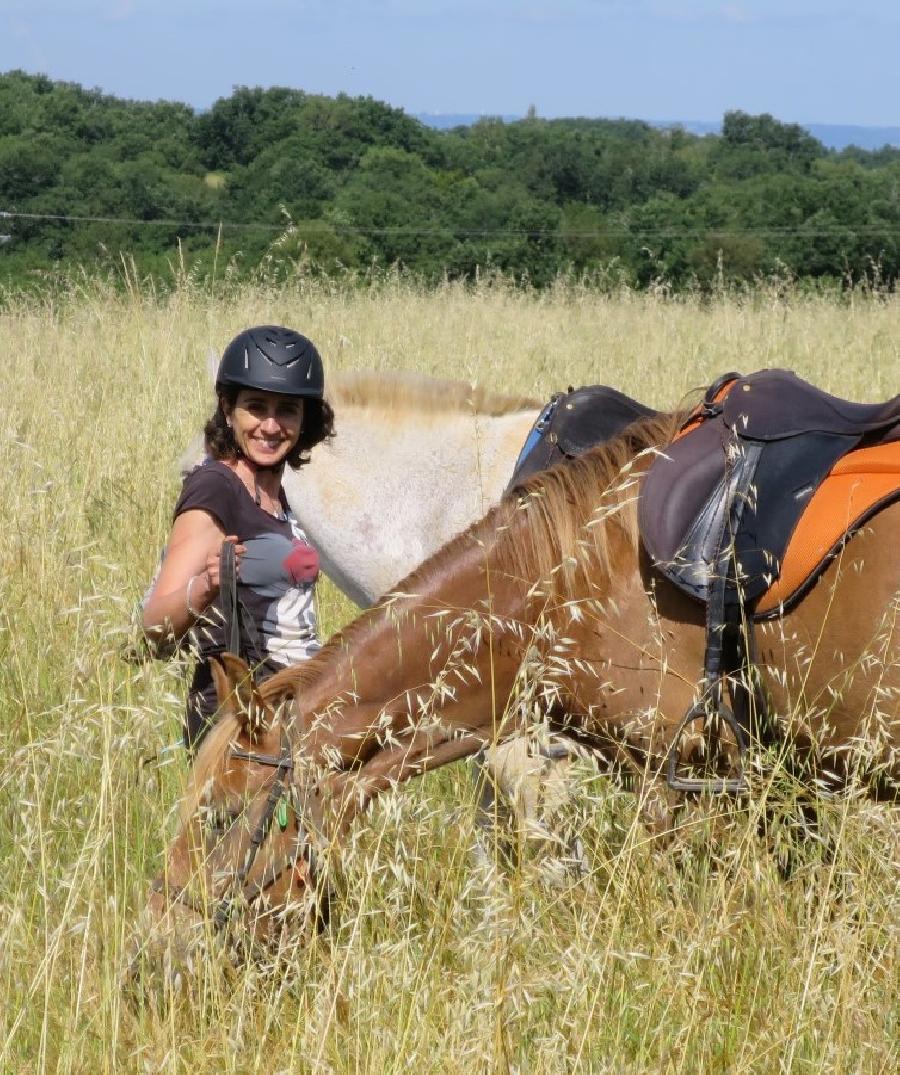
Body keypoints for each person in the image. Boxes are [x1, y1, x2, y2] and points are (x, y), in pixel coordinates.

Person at [141, 324, 335, 750]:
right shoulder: (215, 487)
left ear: (305, 420)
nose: (270, 425)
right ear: (228, 409)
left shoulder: (273, 493)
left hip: (288, 718)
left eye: (287, 409)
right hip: (238, 734)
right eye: (256, 407)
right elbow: (155, 625)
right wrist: (208, 585)